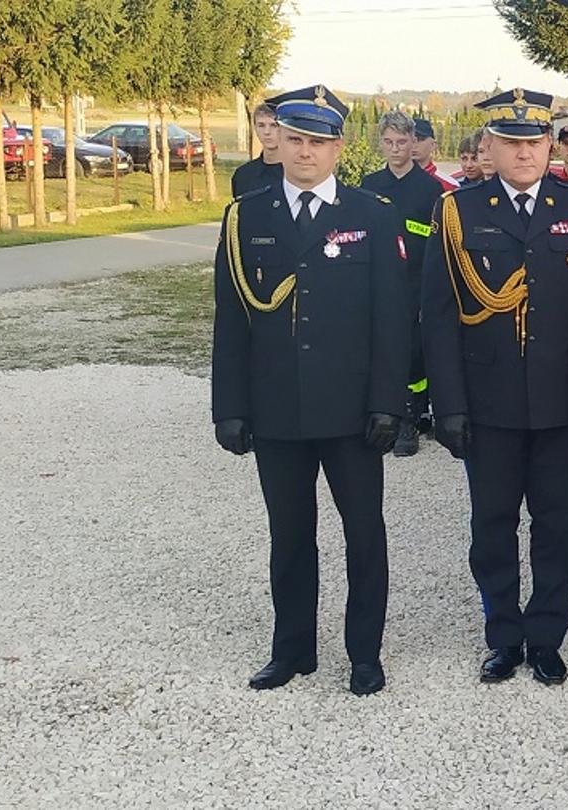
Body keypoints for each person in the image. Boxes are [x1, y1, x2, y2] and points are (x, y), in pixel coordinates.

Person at [209, 85, 410, 696]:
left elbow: (392, 320)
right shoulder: (248, 213)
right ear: (277, 141)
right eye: (295, 139)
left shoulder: (372, 214)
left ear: (338, 148)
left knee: (363, 535)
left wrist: (388, 403)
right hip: (277, 409)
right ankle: (292, 649)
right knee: (289, 537)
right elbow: (231, 318)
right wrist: (230, 407)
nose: (304, 152)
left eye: (318, 142)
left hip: (352, 411)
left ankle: (364, 653)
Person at [422, 88, 568, 687]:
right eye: (511, 142)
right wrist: (446, 405)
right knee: (493, 525)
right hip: (489, 404)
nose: (524, 152)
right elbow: (439, 314)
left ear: (550, 145)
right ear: (490, 147)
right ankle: (503, 636)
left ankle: (548, 636)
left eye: (534, 141)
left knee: (558, 525)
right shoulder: (457, 211)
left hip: (561, 404)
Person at [360, 111, 445, 457]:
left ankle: (411, 416)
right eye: (389, 142)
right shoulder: (369, 186)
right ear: (381, 143)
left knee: (413, 350)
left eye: (402, 142)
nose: (395, 149)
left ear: (414, 143)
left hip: (415, 280)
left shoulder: (430, 190)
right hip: (378, 279)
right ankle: (383, 413)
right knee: (379, 347)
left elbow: (436, 241)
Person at [229, 101, 282, 198]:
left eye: (274, 125)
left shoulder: (296, 175)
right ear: (255, 128)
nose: (267, 132)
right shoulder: (243, 175)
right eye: (261, 125)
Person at [412, 117, 457, 192]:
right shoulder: (391, 181)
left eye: (420, 139)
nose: (413, 145)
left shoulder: (449, 186)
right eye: (409, 139)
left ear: (433, 145)